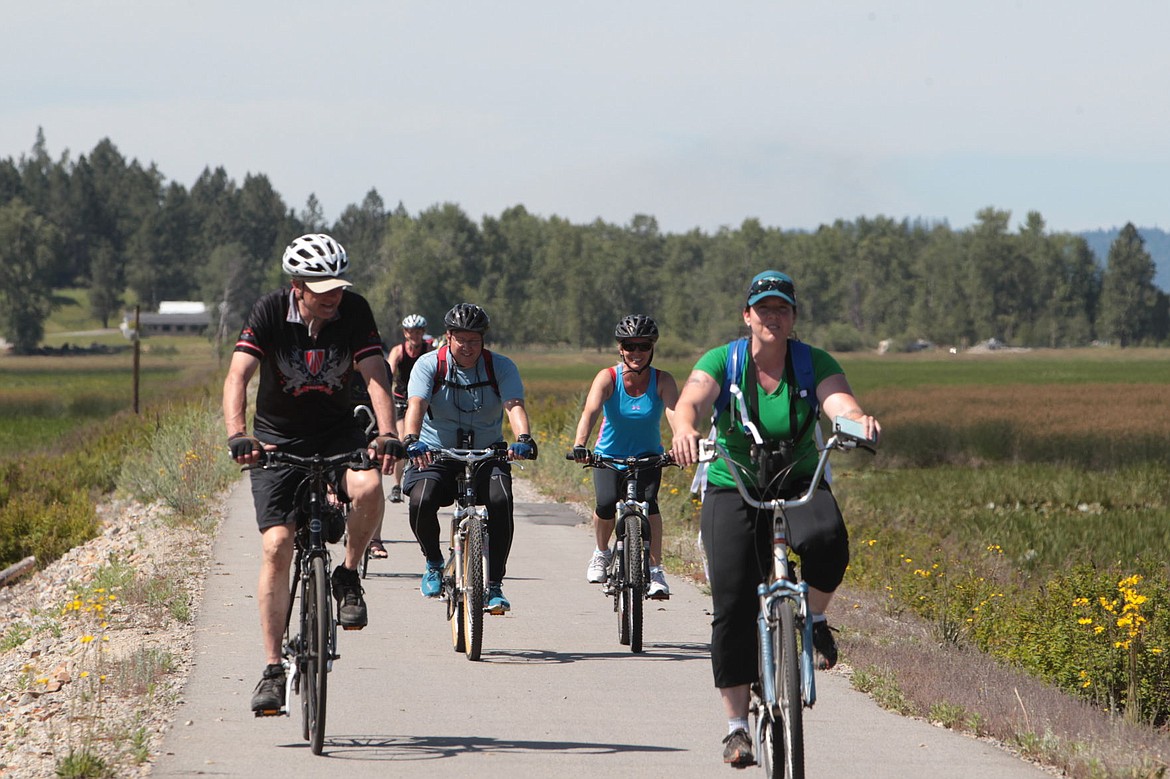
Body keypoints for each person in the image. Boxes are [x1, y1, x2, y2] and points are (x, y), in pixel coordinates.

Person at [670, 270, 881, 768]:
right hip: (734, 482)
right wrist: (683, 428)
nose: (772, 316)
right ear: (747, 316)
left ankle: (818, 618)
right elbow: (691, 401)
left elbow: (839, 402)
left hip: (797, 479)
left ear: (793, 317)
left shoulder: (812, 362)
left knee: (829, 541)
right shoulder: (724, 360)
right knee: (732, 600)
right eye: (763, 308)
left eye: (781, 308)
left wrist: (856, 422)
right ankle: (737, 728)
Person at [223, 233, 403, 714]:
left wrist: (386, 432)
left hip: (339, 431)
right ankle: (272, 670)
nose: (333, 296)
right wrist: (239, 434)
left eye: (338, 286)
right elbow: (238, 375)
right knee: (278, 546)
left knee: (368, 488)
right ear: (296, 285)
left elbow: (374, 373)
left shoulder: (354, 310)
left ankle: (346, 574)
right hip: (277, 438)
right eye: (321, 287)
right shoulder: (268, 311)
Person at [401, 303, 537, 612]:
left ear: (483, 340)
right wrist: (411, 439)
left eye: (474, 340)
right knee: (421, 500)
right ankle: (434, 563)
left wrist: (523, 439)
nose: (468, 347)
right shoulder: (429, 365)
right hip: (437, 451)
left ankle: (494, 585)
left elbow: (514, 405)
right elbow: (417, 405)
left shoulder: (500, 367)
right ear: (448, 337)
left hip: (488, 453)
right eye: (461, 339)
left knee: (501, 501)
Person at [572, 314, 679, 598]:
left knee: (650, 504)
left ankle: (656, 571)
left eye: (643, 346)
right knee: (606, 503)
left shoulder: (662, 380)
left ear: (652, 348)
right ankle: (602, 552)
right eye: (630, 346)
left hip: (647, 457)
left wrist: (681, 443)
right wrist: (581, 444)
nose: (636, 352)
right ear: (620, 348)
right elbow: (590, 411)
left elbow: (674, 414)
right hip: (609, 456)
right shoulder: (608, 378)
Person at [364, 314, 433, 560]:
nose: (413, 335)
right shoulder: (398, 351)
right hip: (403, 401)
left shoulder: (430, 348)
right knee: (404, 437)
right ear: (404, 333)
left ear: (423, 331)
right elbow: (388, 372)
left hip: (425, 400)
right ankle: (396, 484)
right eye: (409, 332)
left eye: (417, 331)